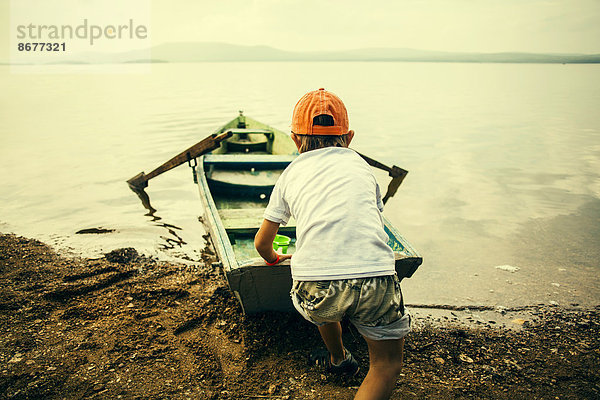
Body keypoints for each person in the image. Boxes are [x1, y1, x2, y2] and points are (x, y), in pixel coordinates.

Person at [254, 88, 410, 400]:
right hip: (374, 278)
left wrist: (272, 258)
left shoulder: (290, 173)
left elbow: (261, 244)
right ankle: (354, 358)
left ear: (296, 140)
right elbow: (371, 224)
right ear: (349, 138)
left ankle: (339, 359)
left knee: (324, 304)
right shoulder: (363, 168)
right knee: (386, 365)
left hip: (315, 286)